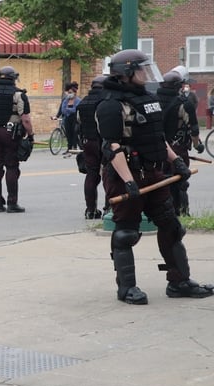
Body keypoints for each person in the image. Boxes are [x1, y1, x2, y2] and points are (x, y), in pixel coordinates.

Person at [95, 49, 214, 305]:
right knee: (127, 232)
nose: (146, 74)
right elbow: (112, 147)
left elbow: (157, 138)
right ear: (126, 73)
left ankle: (179, 280)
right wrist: (128, 181)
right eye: (141, 69)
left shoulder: (147, 99)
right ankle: (126, 288)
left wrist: (177, 161)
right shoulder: (110, 105)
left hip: (154, 172)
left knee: (172, 227)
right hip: (125, 174)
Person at [0, 66, 34, 213]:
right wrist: (30, 135)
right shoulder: (18, 94)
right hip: (10, 133)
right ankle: (12, 202)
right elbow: (25, 119)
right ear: (13, 78)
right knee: (12, 166)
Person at [157, 66, 203, 216]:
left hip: (157, 149)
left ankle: (164, 212)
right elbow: (194, 129)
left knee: (161, 181)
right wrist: (197, 145)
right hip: (177, 149)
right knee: (180, 181)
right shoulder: (184, 103)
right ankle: (182, 212)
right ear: (179, 86)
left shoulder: (152, 101)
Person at [75, 76, 107, 219]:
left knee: (91, 175)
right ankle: (109, 208)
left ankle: (90, 209)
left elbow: (79, 123)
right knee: (109, 174)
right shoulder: (105, 101)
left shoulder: (83, 103)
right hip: (104, 141)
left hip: (88, 141)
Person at [53, 82, 80, 152]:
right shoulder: (65, 100)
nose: (68, 94)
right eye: (68, 92)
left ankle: (74, 147)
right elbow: (61, 109)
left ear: (74, 92)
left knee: (74, 133)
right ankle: (69, 148)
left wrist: (67, 109)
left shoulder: (78, 100)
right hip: (67, 118)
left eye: (70, 92)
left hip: (75, 119)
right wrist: (56, 116)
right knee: (68, 133)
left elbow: (75, 109)